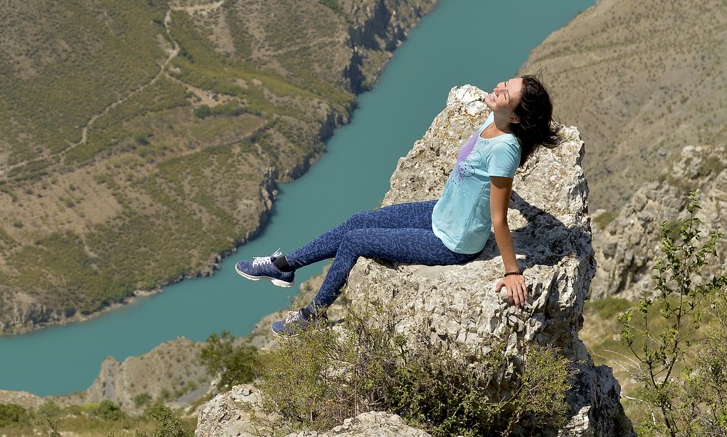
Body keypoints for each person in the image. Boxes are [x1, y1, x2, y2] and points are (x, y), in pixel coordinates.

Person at [236, 76, 560, 335]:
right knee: (358, 220)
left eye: (506, 93)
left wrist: (513, 271)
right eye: (506, 82)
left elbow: (499, 218)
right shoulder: (493, 119)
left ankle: (313, 315)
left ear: (515, 115)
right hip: (439, 214)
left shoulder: (505, 148)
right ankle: (285, 265)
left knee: (354, 240)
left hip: (452, 241)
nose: (499, 87)